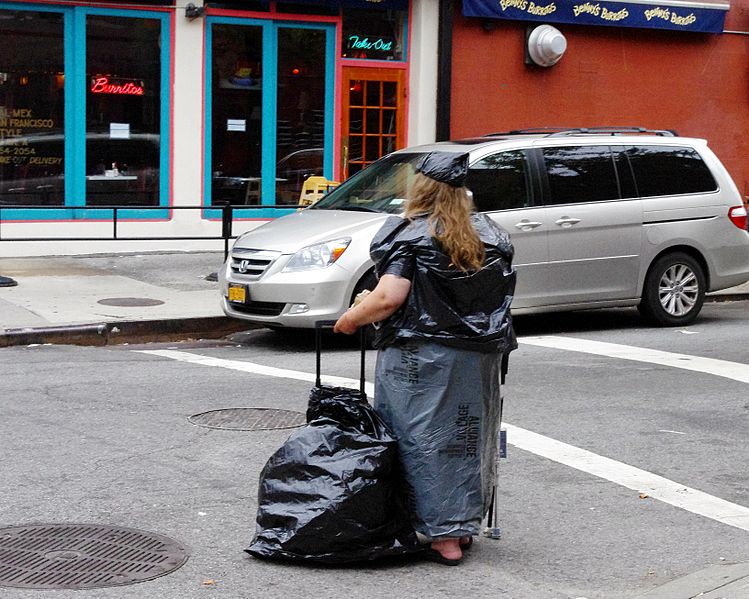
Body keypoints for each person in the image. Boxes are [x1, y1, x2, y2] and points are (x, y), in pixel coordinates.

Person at [334, 151, 517, 566]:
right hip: (479, 356)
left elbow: (388, 298)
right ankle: (460, 526)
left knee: (418, 437)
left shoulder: (412, 234)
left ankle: (441, 535)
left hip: (421, 356)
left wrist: (349, 320)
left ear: (422, 189)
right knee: (468, 435)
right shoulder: (492, 235)